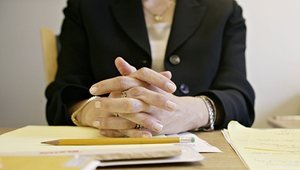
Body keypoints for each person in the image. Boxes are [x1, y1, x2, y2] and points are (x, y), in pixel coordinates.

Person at [46, 0, 255, 137]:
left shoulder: (223, 8)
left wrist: (191, 111)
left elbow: (240, 99)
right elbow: (61, 95)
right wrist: (94, 111)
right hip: (107, 146)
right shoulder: (86, 6)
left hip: (203, 154)